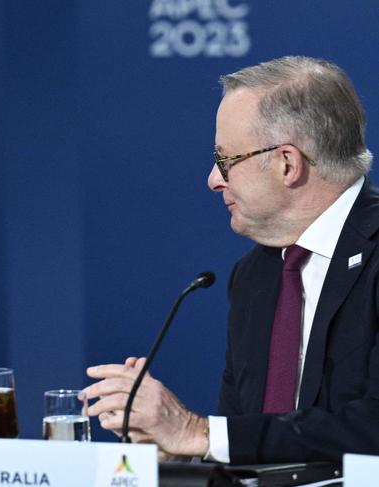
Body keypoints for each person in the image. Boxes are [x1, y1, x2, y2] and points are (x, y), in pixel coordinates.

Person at [83, 56, 379, 464]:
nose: (214, 178)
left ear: (287, 163)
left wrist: (197, 433)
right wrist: (182, 453)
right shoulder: (254, 276)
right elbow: (247, 439)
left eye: (226, 160)